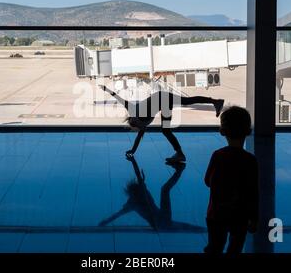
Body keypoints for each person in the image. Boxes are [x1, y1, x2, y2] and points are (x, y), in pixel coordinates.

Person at [99, 85, 224, 163]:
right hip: (162, 101)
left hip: (162, 99)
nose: (133, 123)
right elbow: (138, 137)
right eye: (134, 124)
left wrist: (106, 89)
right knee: (171, 123)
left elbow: (118, 98)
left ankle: (215, 101)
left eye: (132, 122)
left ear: (131, 120)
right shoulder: (142, 124)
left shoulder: (133, 111)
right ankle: (179, 154)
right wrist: (133, 150)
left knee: (184, 103)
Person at [203, 106, 259, 255]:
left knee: (214, 247)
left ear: (223, 131)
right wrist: (254, 218)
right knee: (235, 248)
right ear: (248, 131)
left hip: (215, 214)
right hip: (240, 216)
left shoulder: (218, 155)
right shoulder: (250, 160)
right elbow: (253, 192)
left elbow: (207, 181)